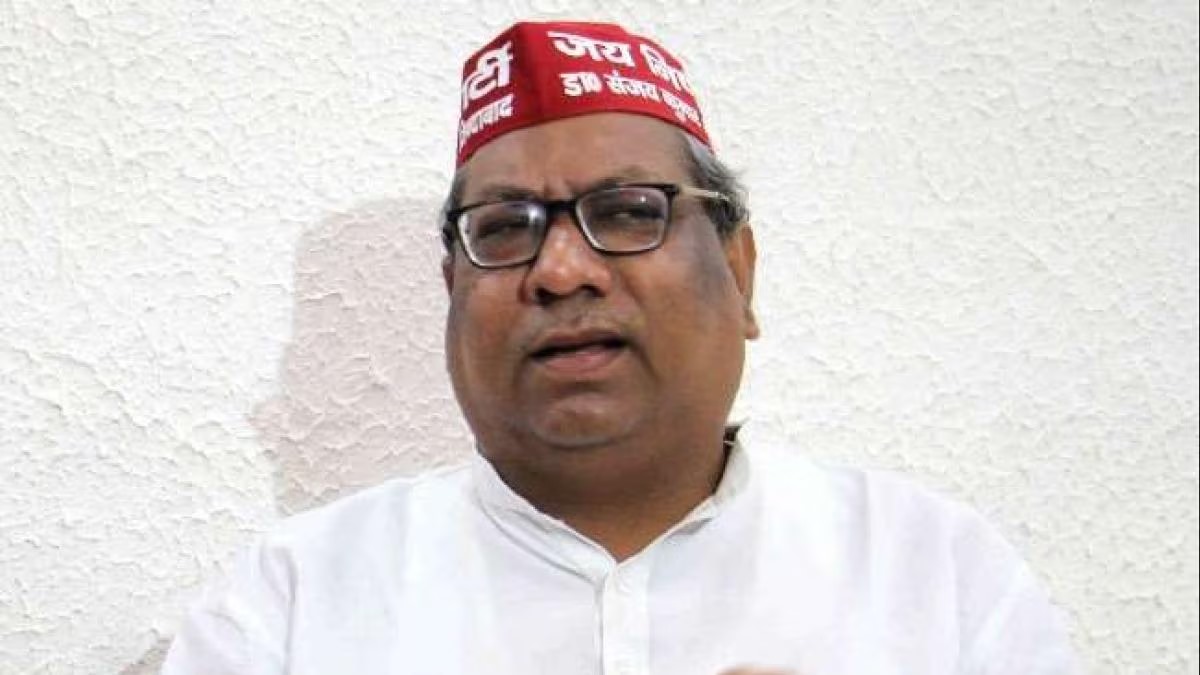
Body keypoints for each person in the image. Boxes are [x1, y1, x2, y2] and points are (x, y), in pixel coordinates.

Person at [161, 20, 1079, 675]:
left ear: (739, 270)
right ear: (451, 291)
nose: (562, 270)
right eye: (504, 227)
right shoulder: (289, 603)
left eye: (629, 212)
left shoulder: (934, 575)